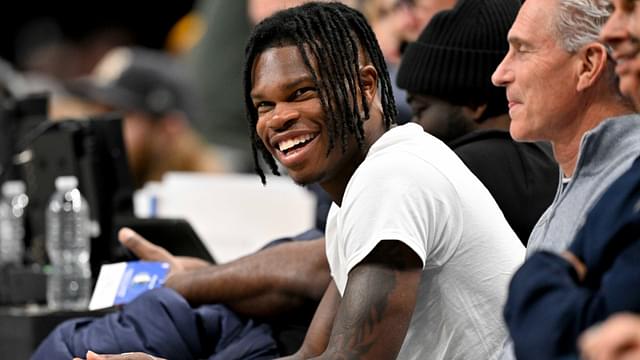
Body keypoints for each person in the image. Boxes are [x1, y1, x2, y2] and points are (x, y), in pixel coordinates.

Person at [79, 2, 524, 359]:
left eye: (301, 93)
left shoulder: (394, 178)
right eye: (264, 105)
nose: (279, 119)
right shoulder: (360, 190)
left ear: (366, 86)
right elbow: (312, 353)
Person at [489, 0, 640, 358]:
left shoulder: (625, 180)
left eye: (522, 50)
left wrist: (538, 282)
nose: (499, 74)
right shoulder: (580, 181)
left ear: (587, 65)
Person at [396, 0, 557, 243]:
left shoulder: (449, 171)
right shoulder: (558, 160)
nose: (414, 125)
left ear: (475, 103)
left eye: (421, 109)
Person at [68, 46, 227, 188]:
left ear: (169, 128)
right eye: (98, 111)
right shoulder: (88, 184)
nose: (98, 126)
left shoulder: (210, 196)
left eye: (116, 115)